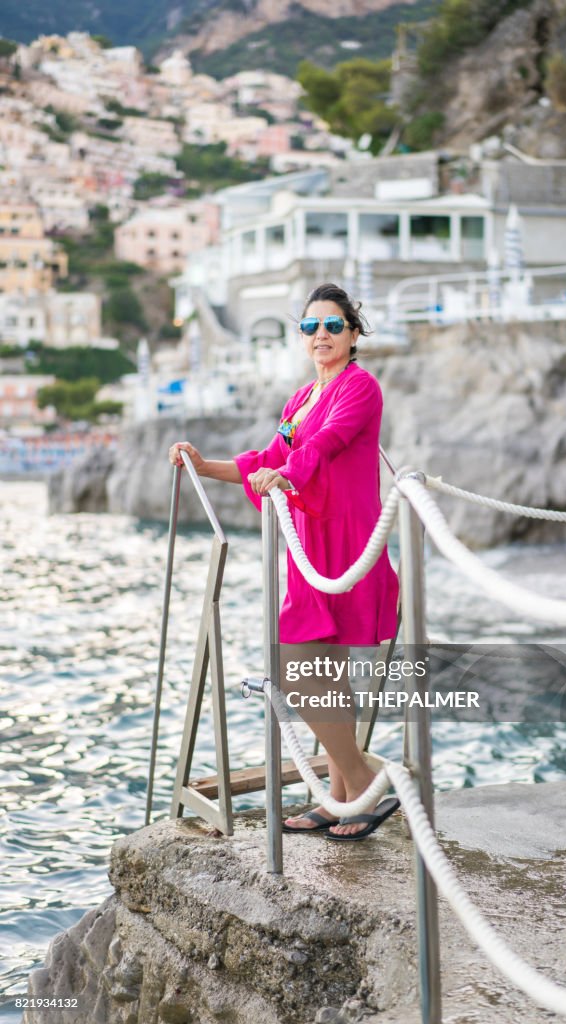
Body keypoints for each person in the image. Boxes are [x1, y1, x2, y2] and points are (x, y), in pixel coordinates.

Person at [169, 282, 400, 840]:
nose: (320, 335)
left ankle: (364, 784)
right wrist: (206, 466)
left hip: (346, 544)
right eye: (309, 327)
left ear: (352, 333)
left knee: (296, 672)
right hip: (307, 545)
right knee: (323, 673)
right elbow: (270, 458)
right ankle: (345, 797)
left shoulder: (360, 388)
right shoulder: (299, 400)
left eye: (332, 326)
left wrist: (287, 474)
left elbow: (324, 447)